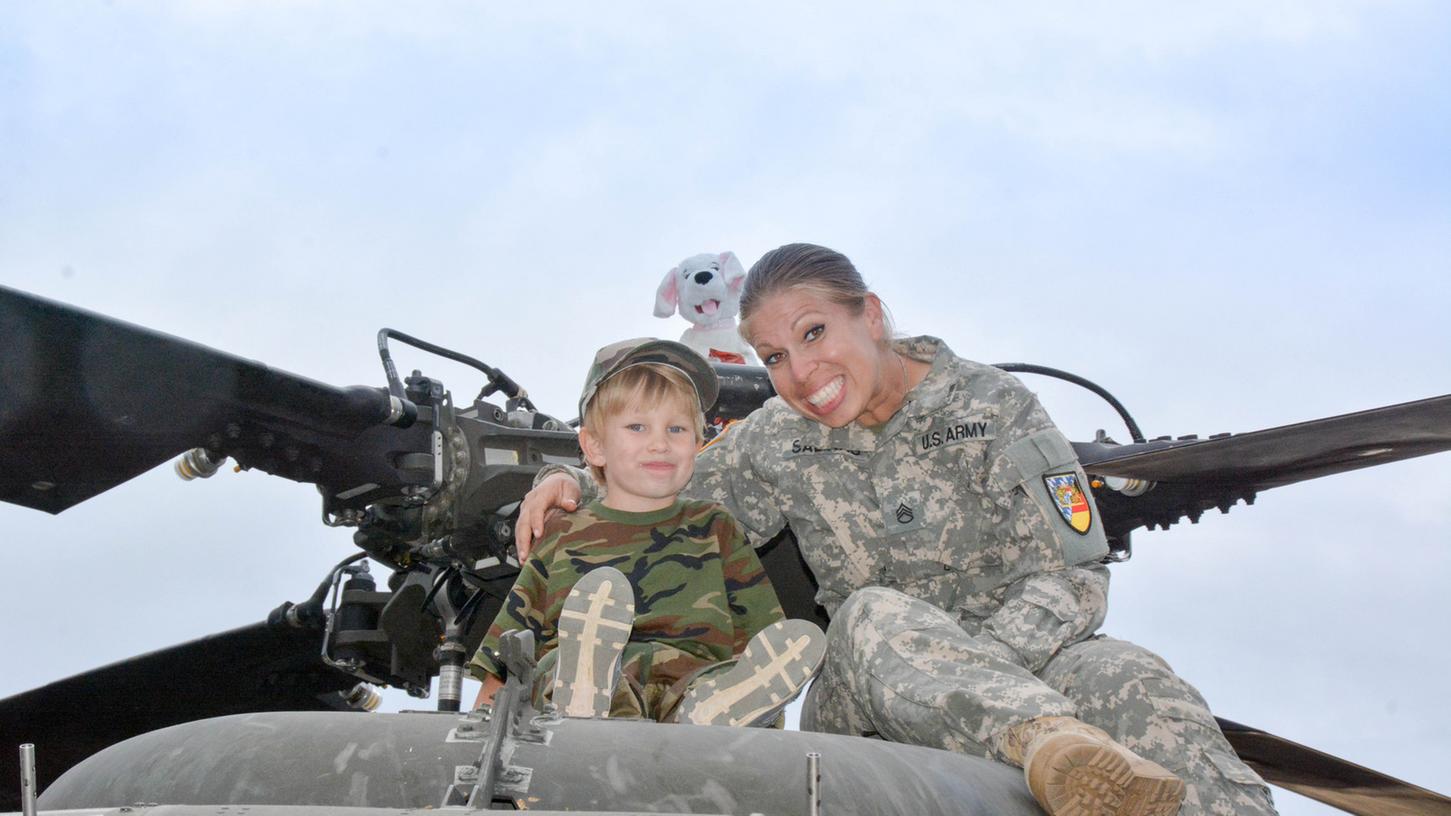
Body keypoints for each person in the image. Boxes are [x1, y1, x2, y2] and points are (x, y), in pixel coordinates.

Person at [516, 245, 1277, 816]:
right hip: (867, 701)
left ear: (871, 315)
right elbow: (661, 491)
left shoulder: (992, 405)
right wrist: (567, 484)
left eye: (814, 333)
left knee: (1133, 678)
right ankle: (1047, 748)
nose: (800, 371)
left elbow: (1074, 572)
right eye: (774, 356)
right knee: (870, 613)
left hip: (1028, 662)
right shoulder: (777, 436)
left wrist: (979, 666)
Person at [470, 337, 824, 725]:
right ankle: (589, 691)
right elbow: (508, 653)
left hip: (690, 689)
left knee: (717, 684)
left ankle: (708, 716)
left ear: (698, 444)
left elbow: (762, 645)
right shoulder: (562, 532)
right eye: (637, 426)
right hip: (577, 704)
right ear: (594, 446)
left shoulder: (715, 526)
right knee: (559, 665)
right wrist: (483, 725)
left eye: (676, 428)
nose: (660, 443)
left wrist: (764, 716)